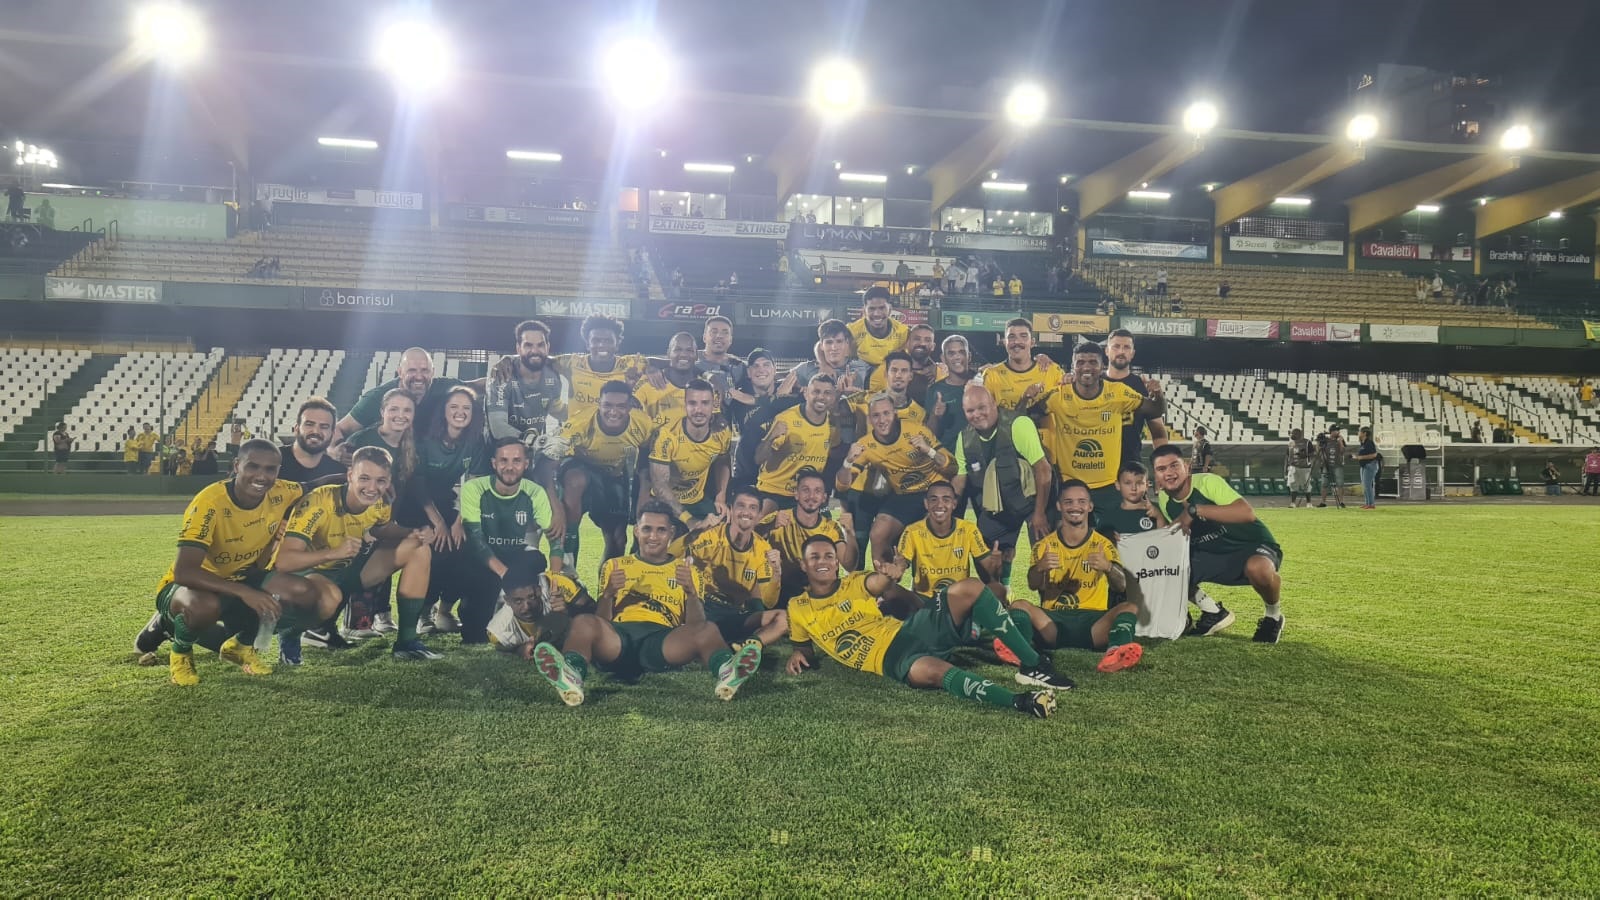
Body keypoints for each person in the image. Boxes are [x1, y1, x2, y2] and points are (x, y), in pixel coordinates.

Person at [784, 536, 1065, 716]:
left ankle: (1032, 664)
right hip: (890, 658)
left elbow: (877, 584)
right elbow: (803, 647)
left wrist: (889, 575)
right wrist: (798, 654)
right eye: (815, 557)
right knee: (935, 672)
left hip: (909, 630)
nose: (822, 562)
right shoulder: (797, 607)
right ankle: (1021, 701)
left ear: (836, 562)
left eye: (828, 556)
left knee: (970, 587)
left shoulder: (853, 582)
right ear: (803, 564)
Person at [526, 502, 765, 706]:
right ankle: (571, 673)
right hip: (618, 639)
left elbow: (696, 626)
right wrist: (608, 594)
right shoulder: (615, 565)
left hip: (662, 641)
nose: (653, 536)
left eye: (661, 530)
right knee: (583, 622)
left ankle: (727, 670)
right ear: (636, 531)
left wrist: (691, 593)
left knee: (709, 629)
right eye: (647, 529)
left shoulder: (687, 570)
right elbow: (601, 622)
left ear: (671, 533)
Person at [138, 440, 320, 686]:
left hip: (243, 577)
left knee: (303, 593)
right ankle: (180, 652)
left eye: (270, 469)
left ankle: (240, 647)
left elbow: (317, 485)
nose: (262, 476)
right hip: (192, 586)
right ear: (236, 465)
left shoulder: (282, 491)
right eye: (253, 466)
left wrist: (358, 476)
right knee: (203, 607)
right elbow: (185, 571)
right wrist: (244, 592)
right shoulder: (210, 502)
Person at [270, 447, 442, 665]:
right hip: (314, 573)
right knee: (330, 599)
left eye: (380, 481)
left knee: (419, 548)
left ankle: (407, 642)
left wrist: (413, 532)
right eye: (364, 478)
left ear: (388, 481)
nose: (372, 488)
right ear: (350, 475)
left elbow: (381, 529)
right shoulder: (319, 501)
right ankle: (291, 632)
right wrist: (333, 553)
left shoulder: (381, 501)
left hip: (350, 567)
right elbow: (284, 561)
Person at [1152, 445, 1285, 643]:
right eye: (1161, 469)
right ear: (1155, 475)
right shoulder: (1164, 499)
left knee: (1258, 568)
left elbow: (1247, 513)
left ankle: (1273, 616)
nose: (1169, 473)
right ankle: (1213, 611)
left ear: (1187, 466)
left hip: (1251, 545)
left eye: (1174, 466)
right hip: (1215, 553)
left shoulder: (1207, 482)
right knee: (1164, 566)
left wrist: (1195, 510)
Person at [1010, 480, 1145, 673]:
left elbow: (1121, 585)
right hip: (1053, 622)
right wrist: (1040, 568)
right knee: (1018, 605)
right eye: (1069, 502)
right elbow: (1033, 585)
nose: (1075, 507)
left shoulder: (1103, 545)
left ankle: (1115, 653)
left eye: (1082, 502)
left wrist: (1107, 567)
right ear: (1059, 506)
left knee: (1129, 607)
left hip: (1094, 623)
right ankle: (1019, 651)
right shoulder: (1044, 546)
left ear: (1090, 506)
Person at [949, 384, 1054, 599]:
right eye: (970, 411)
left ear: (994, 403)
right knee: (983, 554)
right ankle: (1000, 598)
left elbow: (1043, 469)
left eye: (982, 407)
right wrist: (946, 506)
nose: (977, 415)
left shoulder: (1018, 424)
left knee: (1044, 558)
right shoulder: (964, 438)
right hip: (1000, 505)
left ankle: (1049, 606)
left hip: (1033, 502)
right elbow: (960, 479)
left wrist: (1039, 514)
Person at [1042, 342, 1166, 519]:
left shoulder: (1118, 392)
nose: (1086, 367)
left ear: (1102, 367)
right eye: (1080, 362)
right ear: (1073, 367)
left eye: (1093, 362)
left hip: (1108, 488)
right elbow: (1029, 413)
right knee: (1071, 535)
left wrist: (1158, 395)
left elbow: (1155, 410)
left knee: (1113, 535)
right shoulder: (1058, 395)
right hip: (1070, 486)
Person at [837, 392, 954, 564]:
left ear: (895, 414)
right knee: (878, 534)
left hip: (933, 491)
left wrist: (929, 451)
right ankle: (886, 579)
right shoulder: (866, 445)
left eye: (886, 413)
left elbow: (952, 466)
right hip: (904, 496)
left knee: (929, 542)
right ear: (870, 420)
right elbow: (842, 485)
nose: (882, 420)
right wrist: (848, 462)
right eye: (876, 415)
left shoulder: (917, 431)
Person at [549, 379, 653, 567]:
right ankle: (568, 557)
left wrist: (643, 488)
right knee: (576, 480)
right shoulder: (580, 423)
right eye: (608, 405)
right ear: (599, 404)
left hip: (613, 476)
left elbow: (646, 455)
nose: (613, 412)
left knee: (618, 540)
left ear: (630, 407)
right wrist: (555, 506)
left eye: (620, 406)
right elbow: (549, 461)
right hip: (580, 466)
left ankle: (608, 584)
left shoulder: (643, 424)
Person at [412, 385, 487, 633]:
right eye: (454, 406)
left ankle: (445, 610)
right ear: (443, 411)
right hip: (418, 504)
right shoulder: (426, 440)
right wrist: (439, 524)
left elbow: (473, 485)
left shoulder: (475, 441)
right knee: (438, 547)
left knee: (465, 545)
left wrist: (458, 522)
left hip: (448, 503)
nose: (460, 412)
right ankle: (424, 612)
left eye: (466, 408)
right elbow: (418, 487)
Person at [685, 487, 787, 648]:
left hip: (735, 613)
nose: (746, 512)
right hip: (705, 609)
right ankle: (724, 644)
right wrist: (694, 534)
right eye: (741, 506)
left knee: (783, 618)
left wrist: (776, 573)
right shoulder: (711, 537)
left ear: (759, 515)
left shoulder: (763, 549)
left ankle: (748, 647)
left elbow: (769, 601)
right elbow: (680, 561)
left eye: (752, 508)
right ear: (731, 509)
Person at [485, 319, 571, 489]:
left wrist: (578, 422)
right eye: (528, 345)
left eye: (540, 345)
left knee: (539, 494)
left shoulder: (553, 375)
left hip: (530, 454)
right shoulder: (502, 375)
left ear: (548, 347)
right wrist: (537, 441)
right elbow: (498, 428)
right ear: (518, 348)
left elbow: (552, 406)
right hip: (496, 454)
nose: (535, 351)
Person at [755, 467, 857, 603]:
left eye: (817, 491)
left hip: (818, 595)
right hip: (782, 591)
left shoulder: (831, 528)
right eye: (806, 490)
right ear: (796, 494)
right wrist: (769, 526)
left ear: (824, 498)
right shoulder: (779, 518)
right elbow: (748, 540)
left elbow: (849, 565)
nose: (811, 496)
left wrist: (851, 534)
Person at [648, 378, 732, 529]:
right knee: (655, 539)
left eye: (705, 403)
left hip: (697, 501)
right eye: (692, 403)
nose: (698, 410)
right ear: (685, 404)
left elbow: (723, 460)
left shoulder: (722, 432)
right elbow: (660, 484)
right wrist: (688, 520)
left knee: (721, 533)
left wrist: (721, 496)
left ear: (713, 405)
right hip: (665, 503)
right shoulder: (667, 435)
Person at [336, 348, 464, 446]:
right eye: (412, 370)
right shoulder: (376, 397)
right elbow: (340, 428)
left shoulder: (444, 387)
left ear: (433, 372)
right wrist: (335, 449)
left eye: (425, 370)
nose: (419, 377)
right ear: (400, 372)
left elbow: (474, 386)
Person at [755, 374, 842, 515]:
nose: (821, 397)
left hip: (808, 495)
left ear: (833, 397)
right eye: (816, 391)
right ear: (806, 393)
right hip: (774, 491)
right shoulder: (787, 419)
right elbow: (759, 458)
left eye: (827, 393)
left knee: (840, 514)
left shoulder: (832, 422)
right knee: (761, 519)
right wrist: (770, 438)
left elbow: (834, 452)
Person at [896, 482, 999, 596]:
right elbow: (900, 567)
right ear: (926, 503)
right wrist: (897, 568)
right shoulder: (912, 531)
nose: (940, 505)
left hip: (957, 599)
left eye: (946, 500)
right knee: (890, 591)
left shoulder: (968, 529)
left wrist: (996, 564)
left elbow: (991, 569)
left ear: (954, 504)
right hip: (925, 600)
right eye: (934, 500)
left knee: (997, 589)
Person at [486, 552, 593, 658]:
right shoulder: (498, 632)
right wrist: (519, 650)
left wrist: (569, 611)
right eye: (518, 601)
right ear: (507, 600)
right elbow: (504, 649)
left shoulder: (555, 584)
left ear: (539, 590)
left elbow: (594, 612)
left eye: (531, 597)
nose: (527, 607)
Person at [550, 315, 647, 425]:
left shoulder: (631, 364)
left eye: (608, 341)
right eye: (596, 340)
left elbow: (659, 362)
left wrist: (653, 369)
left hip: (616, 432)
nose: (601, 345)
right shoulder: (571, 363)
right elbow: (544, 361)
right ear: (587, 344)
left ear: (617, 345)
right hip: (578, 433)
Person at [1104, 330, 1170, 468]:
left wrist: (1163, 466)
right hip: (1097, 465)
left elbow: (1158, 433)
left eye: (1126, 347)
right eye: (1116, 346)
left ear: (1132, 353)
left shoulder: (1142, 386)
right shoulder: (1094, 383)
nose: (1121, 351)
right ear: (1107, 351)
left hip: (1131, 466)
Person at [974, 319, 1058, 420]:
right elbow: (985, 418)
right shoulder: (991, 375)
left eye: (1023, 336)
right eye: (1011, 337)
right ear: (1004, 342)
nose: (1017, 341)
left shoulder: (1052, 370)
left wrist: (1070, 378)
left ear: (1032, 342)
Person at [781, 319, 873, 397]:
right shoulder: (807, 369)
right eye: (829, 342)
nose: (834, 347)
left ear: (846, 343)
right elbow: (781, 379)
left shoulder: (862, 366)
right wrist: (798, 389)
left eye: (839, 341)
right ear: (821, 346)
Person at [633, 332, 701, 430]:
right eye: (677, 349)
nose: (683, 354)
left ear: (696, 355)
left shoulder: (707, 387)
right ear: (668, 353)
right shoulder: (648, 381)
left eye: (689, 350)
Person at [924, 334, 974, 454]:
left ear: (969, 356)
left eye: (961, 352)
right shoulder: (935, 390)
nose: (957, 357)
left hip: (979, 456)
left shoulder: (982, 382)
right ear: (943, 358)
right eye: (951, 353)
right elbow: (930, 434)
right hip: (949, 457)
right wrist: (935, 415)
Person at [1093, 462, 1167, 539]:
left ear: (1147, 485)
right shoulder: (1109, 514)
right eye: (1128, 483)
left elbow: (1166, 539)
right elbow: (1099, 540)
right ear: (1118, 485)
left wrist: (1159, 518)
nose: (1134, 488)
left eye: (1139, 483)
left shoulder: (1158, 509)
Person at [868, 324, 943, 396]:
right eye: (917, 339)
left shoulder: (940, 372)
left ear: (933, 346)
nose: (922, 343)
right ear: (907, 343)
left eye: (927, 340)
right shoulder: (886, 368)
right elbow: (872, 397)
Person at [847, 287, 909, 367]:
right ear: (864, 311)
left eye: (882, 308)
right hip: (861, 371)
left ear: (890, 309)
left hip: (890, 370)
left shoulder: (903, 332)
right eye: (871, 309)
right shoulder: (852, 331)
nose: (877, 314)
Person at [1317, 425, 1347, 508]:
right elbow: (1319, 450)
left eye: (1338, 430)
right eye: (1336, 430)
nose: (1338, 432)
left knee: (1340, 483)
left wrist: (1340, 442)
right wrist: (1318, 442)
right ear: (1332, 432)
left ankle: (1341, 502)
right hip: (1326, 464)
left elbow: (1343, 451)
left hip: (1337, 464)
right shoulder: (1325, 440)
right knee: (1324, 483)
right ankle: (1323, 502)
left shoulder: (1340, 440)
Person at [1286, 427, 1315, 508]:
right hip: (1293, 467)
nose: (1291, 435)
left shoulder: (1307, 442)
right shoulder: (1290, 443)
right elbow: (1287, 456)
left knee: (1306, 485)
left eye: (1293, 433)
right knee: (1293, 484)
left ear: (1299, 434)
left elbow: (1313, 454)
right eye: (1291, 433)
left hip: (1304, 467)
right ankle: (1293, 503)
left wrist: (1305, 455)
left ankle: (1309, 503)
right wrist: (1286, 467)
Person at [1354, 426, 1382, 508]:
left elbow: (1374, 455)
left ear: (1364, 433)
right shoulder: (1363, 443)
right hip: (1364, 466)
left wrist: (1361, 457)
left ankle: (1371, 504)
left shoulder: (1369, 443)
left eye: (1360, 432)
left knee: (1368, 485)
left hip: (1370, 465)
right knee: (1365, 485)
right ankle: (1367, 503)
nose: (1358, 433)